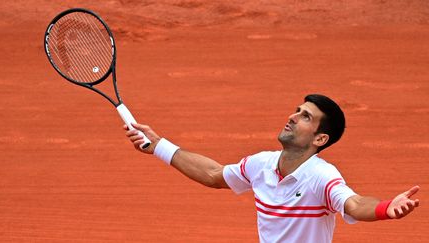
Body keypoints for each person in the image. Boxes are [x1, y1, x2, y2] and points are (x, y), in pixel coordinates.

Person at [124, 94, 420, 243]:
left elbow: (353, 205)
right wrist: (159, 145)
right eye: (297, 110)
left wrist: (384, 208)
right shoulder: (260, 164)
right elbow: (215, 175)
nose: (292, 117)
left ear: (320, 138)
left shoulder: (321, 176)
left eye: (305, 117)